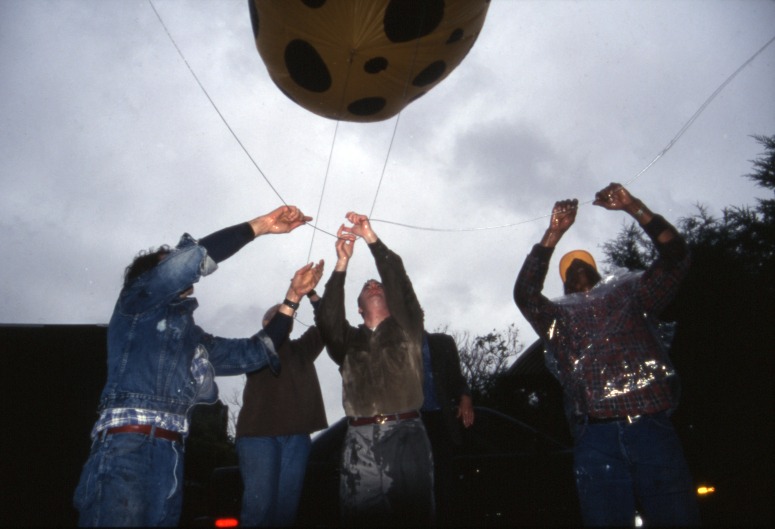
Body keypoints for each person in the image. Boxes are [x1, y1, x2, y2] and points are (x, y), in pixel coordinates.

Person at [73, 205, 312, 527]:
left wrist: (292, 297)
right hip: (126, 448)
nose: (176, 269)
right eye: (166, 265)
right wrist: (263, 225)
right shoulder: (138, 303)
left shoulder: (193, 339)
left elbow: (254, 353)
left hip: (170, 456)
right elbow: (187, 263)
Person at [513, 183, 700, 526]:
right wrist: (553, 234)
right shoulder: (559, 317)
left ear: (599, 274)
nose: (577, 268)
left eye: (584, 264)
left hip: (651, 425)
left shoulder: (631, 296)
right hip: (596, 437)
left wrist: (634, 206)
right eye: (569, 268)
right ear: (564, 285)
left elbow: (676, 257)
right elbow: (525, 295)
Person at [315, 212, 434, 526]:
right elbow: (327, 321)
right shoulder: (348, 342)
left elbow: (399, 282)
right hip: (359, 440)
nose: (373, 284)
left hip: (407, 434)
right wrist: (341, 263)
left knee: (414, 517)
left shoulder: (408, 327)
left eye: (378, 284)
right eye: (366, 286)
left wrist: (370, 238)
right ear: (358, 307)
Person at [235, 261, 327, 527]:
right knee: (258, 511)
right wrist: (291, 300)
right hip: (258, 437)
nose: (284, 316)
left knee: (286, 513)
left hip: (297, 437)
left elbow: (327, 325)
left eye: (286, 314)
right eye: (277, 314)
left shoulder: (302, 349)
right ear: (266, 323)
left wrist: (311, 293)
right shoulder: (254, 347)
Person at [421, 330, 474, 526]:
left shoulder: (442, 342)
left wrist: (465, 396)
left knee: (445, 487)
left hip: (441, 420)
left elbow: (456, 378)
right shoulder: (394, 344)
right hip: (411, 423)